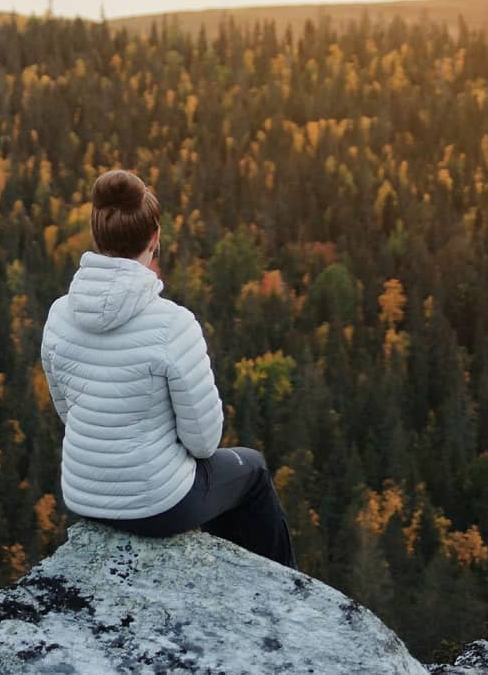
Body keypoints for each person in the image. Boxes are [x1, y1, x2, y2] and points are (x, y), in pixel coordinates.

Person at [41, 168, 297, 569]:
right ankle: (282, 594)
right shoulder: (173, 325)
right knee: (252, 472)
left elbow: (67, 410)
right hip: (155, 506)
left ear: (97, 235)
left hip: (85, 496)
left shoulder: (58, 315)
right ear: (155, 239)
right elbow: (204, 442)